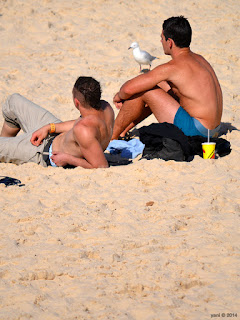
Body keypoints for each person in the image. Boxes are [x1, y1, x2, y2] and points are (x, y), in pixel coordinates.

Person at [111, 16, 223, 140]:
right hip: (213, 130)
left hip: (197, 132)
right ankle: (122, 131)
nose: (161, 41)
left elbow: (128, 89)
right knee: (161, 84)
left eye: (162, 38)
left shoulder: (174, 67)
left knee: (146, 90)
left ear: (169, 42)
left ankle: (111, 135)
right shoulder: (200, 59)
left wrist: (119, 97)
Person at [0, 76, 114, 168]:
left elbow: (101, 166)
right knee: (13, 101)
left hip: (41, 152)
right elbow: (81, 124)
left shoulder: (83, 129)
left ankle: (7, 147)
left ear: (76, 102)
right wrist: (50, 127)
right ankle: (7, 144)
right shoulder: (105, 107)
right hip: (56, 136)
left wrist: (68, 159)